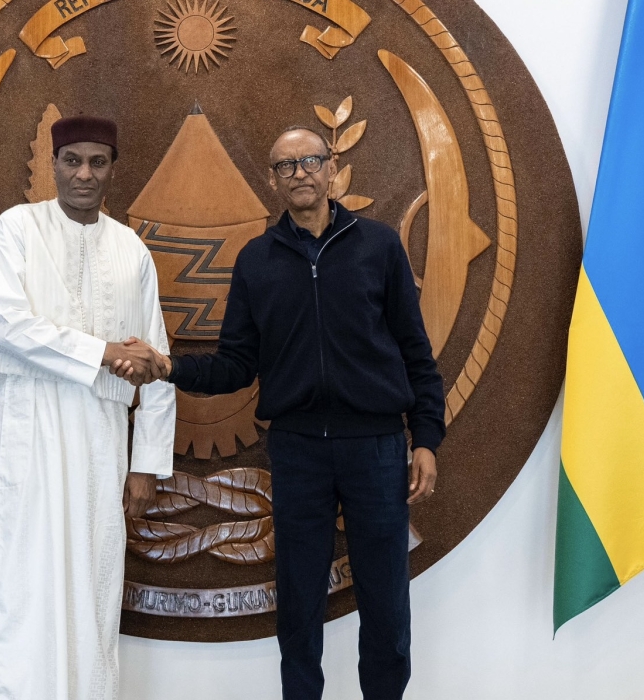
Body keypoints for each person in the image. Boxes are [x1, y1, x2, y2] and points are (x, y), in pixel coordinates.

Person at [118, 126, 445, 699]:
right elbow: (236, 366)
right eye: (285, 166)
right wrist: (167, 367)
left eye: (310, 161)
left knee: (387, 605)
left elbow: (415, 351)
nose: (299, 173)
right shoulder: (256, 261)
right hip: (297, 452)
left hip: (377, 449)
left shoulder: (379, 246)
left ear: (332, 167)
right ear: (273, 179)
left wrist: (425, 439)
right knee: (297, 608)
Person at [0, 115, 175, 700]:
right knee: (25, 581)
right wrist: (100, 351)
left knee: (92, 585)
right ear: (54, 164)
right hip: (30, 429)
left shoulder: (130, 248)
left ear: (112, 168)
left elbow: (156, 361)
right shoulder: (17, 228)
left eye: (98, 162)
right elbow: (0, 322)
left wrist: (145, 462)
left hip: (100, 437)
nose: (84, 174)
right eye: (72, 161)